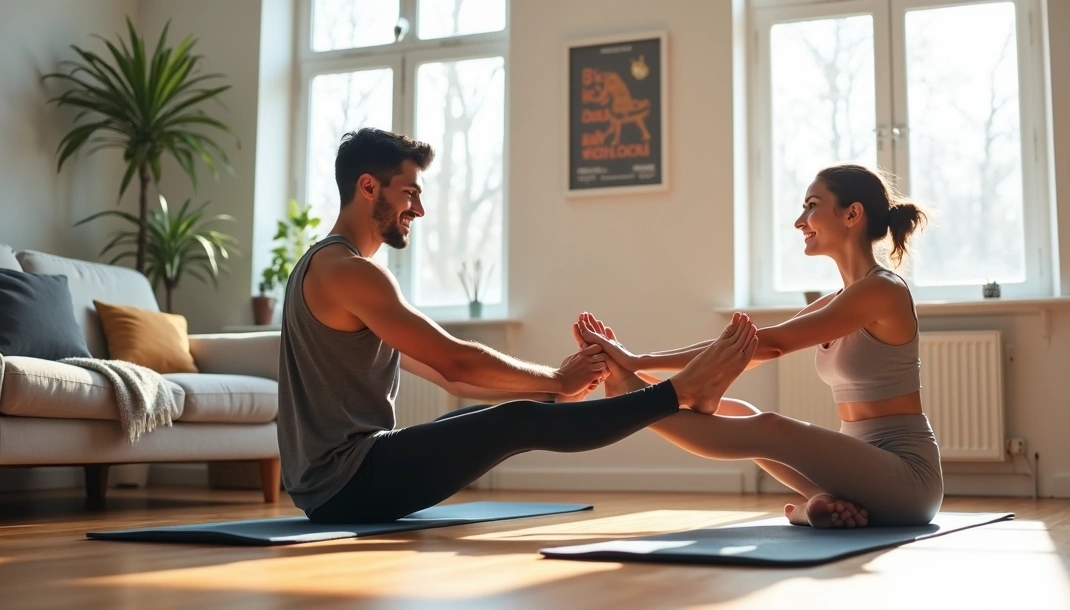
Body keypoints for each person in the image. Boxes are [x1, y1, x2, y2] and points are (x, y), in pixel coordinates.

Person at [277, 128, 759, 524]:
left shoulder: (323, 267)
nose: (418, 210)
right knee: (514, 422)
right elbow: (454, 358)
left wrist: (552, 393)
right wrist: (556, 378)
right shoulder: (349, 272)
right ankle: (679, 393)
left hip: (334, 483)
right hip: (347, 481)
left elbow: (447, 377)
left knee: (499, 415)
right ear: (368, 187)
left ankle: (659, 394)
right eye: (409, 194)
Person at [576, 164, 943, 528]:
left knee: (771, 428)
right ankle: (820, 503)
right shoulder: (836, 301)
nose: (801, 221)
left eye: (812, 205)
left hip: (907, 480)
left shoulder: (883, 289)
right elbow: (746, 350)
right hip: (859, 471)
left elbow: (771, 345)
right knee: (736, 410)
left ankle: (631, 395)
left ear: (852, 213)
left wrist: (636, 364)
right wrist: (640, 361)